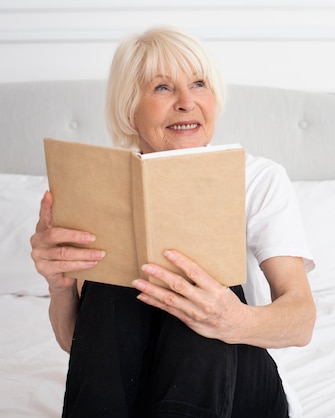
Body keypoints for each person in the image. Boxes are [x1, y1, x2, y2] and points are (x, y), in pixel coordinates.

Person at [30, 27, 316, 418]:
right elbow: (82, 346)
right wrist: (59, 287)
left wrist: (231, 318)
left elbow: (301, 322)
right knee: (114, 285)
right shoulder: (100, 186)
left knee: (200, 282)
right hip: (136, 395)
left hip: (237, 391)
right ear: (129, 108)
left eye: (199, 84)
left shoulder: (259, 178)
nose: (186, 102)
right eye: (162, 88)